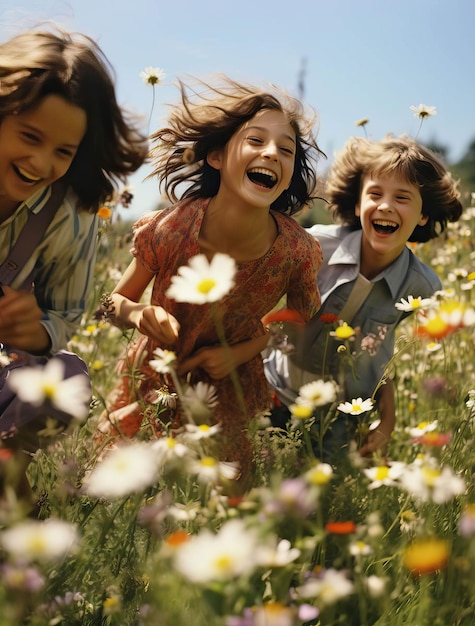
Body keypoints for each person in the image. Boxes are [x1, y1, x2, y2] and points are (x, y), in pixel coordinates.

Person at [97, 76, 324, 481]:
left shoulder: (296, 250)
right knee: (125, 493)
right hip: (156, 377)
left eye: (286, 150)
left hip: (231, 391)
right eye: (256, 141)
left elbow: (303, 327)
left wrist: (245, 349)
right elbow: (110, 304)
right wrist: (137, 314)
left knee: (219, 504)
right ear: (217, 156)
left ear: (289, 174)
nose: (272, 153)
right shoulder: (170, 229)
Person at [0, 27, 148, 494]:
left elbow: (64, 313)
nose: (41, 163)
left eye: (63, 151)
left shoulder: (68, 215)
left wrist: (37, 331)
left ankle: (11, 495)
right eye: (30, 136)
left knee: (67, 376)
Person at [264, 135, 463, 464]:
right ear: (358, 205)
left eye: (402, 198)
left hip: (340, 415)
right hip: (276, 390)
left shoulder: (423, 286)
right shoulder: (314, 247)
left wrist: (388, 419)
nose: (385, 206)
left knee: (322, 499)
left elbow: (384, 354)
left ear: (423, 215)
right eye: (375, 194)